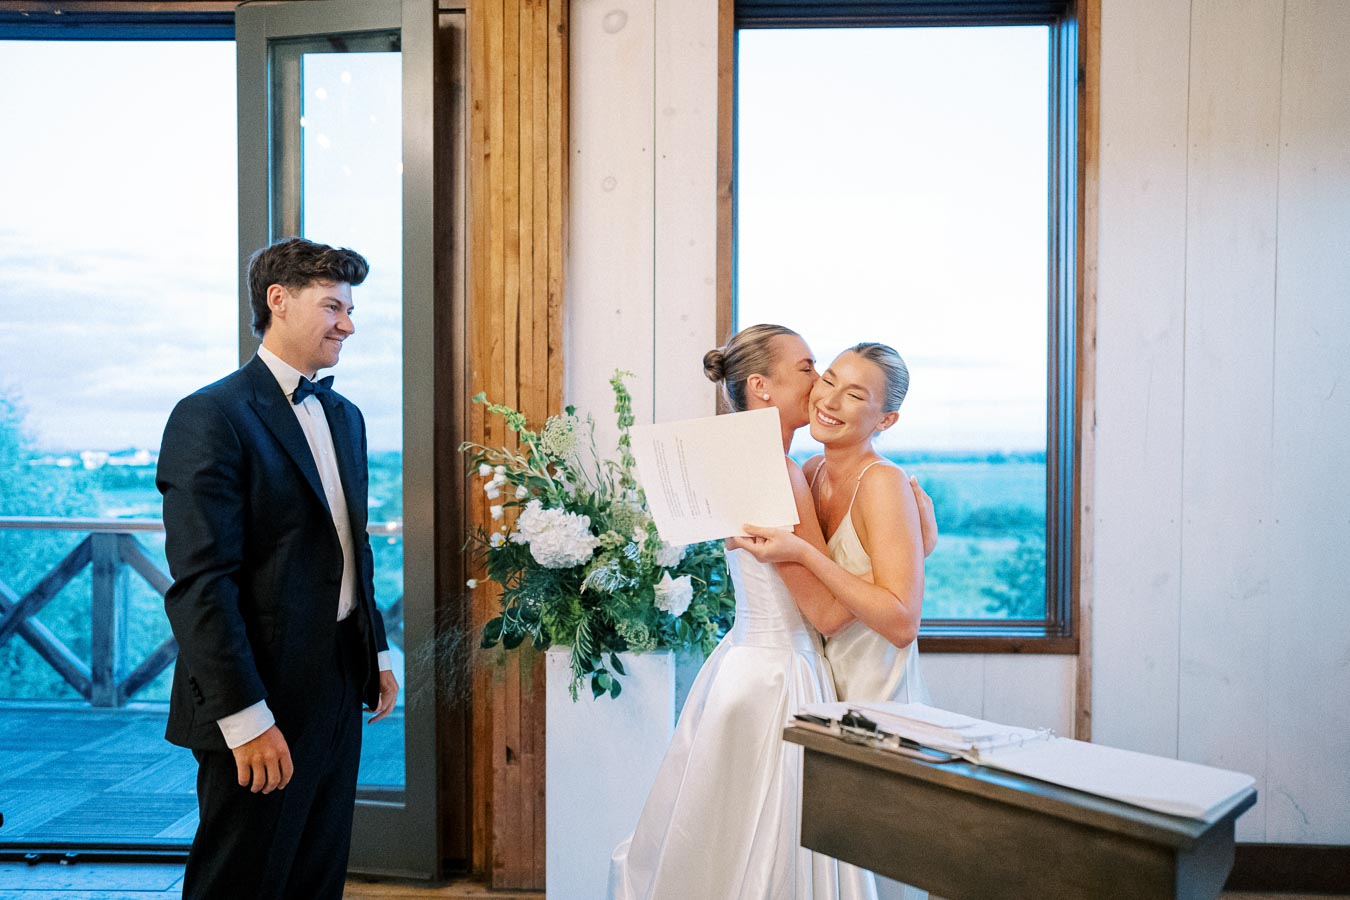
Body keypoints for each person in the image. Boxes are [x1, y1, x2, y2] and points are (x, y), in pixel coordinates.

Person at [607, 325, 934, 900]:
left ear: (885, 418)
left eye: (842, 387)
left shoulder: (790, 467)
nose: (820, 390)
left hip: (755, 664)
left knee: (730, 841)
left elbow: (875, 589)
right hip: (781, 671)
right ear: (761, 386)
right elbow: (828, 613)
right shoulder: (785, 472)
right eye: (813, 371)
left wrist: (915, 542)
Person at [157, 237, 399, 900]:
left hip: (338, 681)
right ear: (278, 302)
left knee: (316, 876)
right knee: (241, 882)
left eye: (350, 308)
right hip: (259, 690)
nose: (348, 323)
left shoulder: (345, 417)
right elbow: (202, 585)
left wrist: (374, 648)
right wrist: (246, 718)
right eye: (333, 306)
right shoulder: (209, 416)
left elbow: (353, 546)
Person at [733, 342, 930, 900]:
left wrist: (801, 553)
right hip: (823, 684)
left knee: (872, 866)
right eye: (830, 379)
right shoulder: (813, 471)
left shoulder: (883, 482)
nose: (832, 399)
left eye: (857, 394)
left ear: (886, 418)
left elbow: (900, 622)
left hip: (874, 692)